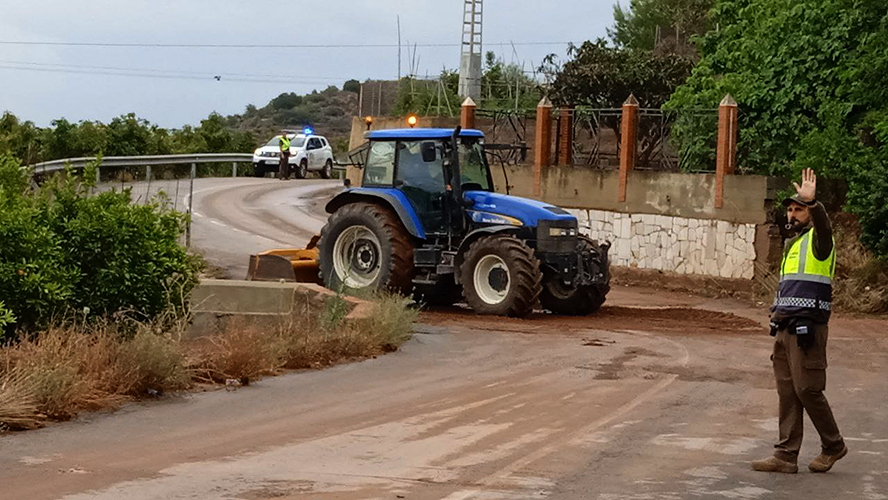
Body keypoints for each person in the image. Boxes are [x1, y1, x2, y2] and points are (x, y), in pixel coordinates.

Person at [752, 168, 847, 474]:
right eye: (790, 209)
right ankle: (785, 455)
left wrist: (814, 203)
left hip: (808, 330)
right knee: (788, 392)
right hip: (784, 327)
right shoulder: (792, 246)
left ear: (809, 213)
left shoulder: (820, 243)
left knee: (808, 389)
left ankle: (833, 446)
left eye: (798, 209)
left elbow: (824, 228)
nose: (793, 214)